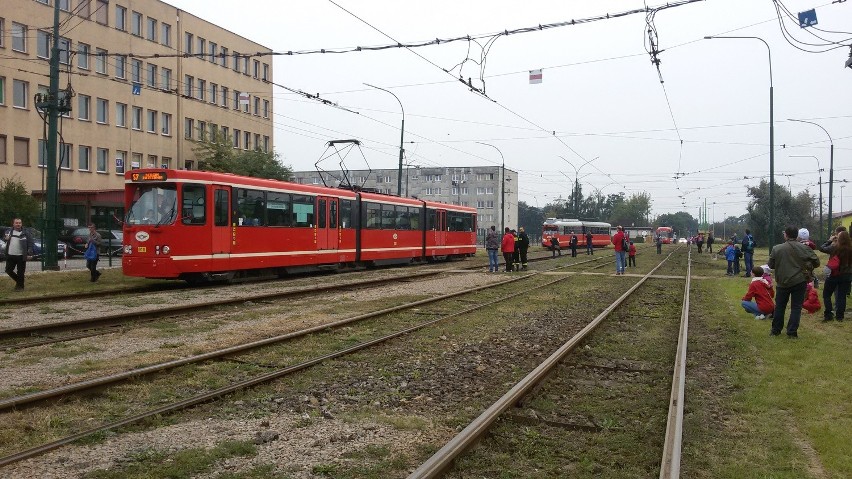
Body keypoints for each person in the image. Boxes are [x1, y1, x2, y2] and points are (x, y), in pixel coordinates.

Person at [769, 226, 820, 338]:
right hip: (799, 280)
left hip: (782, 281)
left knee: (780, 307)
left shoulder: (776, 248)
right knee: (796, 307)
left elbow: (771, 265)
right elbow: (816, 262)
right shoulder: (804, 247)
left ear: (786, 235)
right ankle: (792, 332)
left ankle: (775, 330)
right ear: (796, 236)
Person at [819, 230, 852, 321]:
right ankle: (840, 316)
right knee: (842, 296)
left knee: (827, 294)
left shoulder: (834, 247)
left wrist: (830, 240)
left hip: (834, 274)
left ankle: (828, 314)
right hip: (847, 275)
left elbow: (822, 248)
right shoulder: (850, 249)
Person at [4, 218, 34, 291]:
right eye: (16, 223)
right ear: (13, 224)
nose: (18, 224)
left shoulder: (26, 233)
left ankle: (20, 287)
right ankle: (20, 282)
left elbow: (30, 243)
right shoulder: (9, 231)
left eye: (19, 223)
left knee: (20, 272)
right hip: (10, 255)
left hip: (21, 256)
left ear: (21, 224)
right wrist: (6, 238)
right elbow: (4, 239)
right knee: (8, 270)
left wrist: (29, 253)